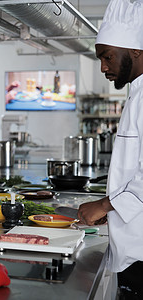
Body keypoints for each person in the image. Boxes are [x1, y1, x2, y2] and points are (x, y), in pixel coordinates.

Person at [77, 0, 143, 298]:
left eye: (107, 57)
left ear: (135, 52)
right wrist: (113, 208)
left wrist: (104, 205)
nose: (103, 67)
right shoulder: (136, 93)